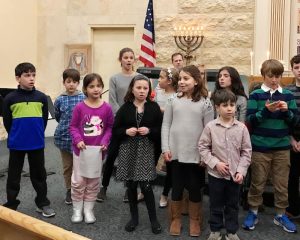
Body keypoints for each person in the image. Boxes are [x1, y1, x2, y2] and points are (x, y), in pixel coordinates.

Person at [242, 59, 297, 233]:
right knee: (257, 182)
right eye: (270, 76)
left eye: (278, 76)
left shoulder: (287, 95)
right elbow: (249, 121)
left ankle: (281, 214)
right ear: (263, 75)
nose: (274, 80)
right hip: (260, 147)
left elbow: (295, 122)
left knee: (282, 184)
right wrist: (265, 111)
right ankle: (253, 211)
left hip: (282, 147)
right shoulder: (256, 95)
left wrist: (286, 112)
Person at [162, 65, 214, 237]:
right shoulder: (172, 100)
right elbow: (166, 125)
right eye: (181, 79)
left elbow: (208, 130)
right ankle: (175, 219)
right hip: (175, 151)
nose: (182, 82)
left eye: (186, 79)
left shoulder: (205, 103)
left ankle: (194, 220)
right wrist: (165, 148)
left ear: (197, 81)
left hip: (196, 153)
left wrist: (205, 154)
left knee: (194, 187)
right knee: (176, 187)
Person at [2, 62, 55, 217]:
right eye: (27, 75)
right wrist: (16, 135)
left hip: (36, 143)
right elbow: (7, 122)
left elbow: (43, 120)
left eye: (33, 75)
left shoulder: (41, 98)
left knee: (39, 175)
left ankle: (42, 203)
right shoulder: (10, 99)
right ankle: (11, 204)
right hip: (17, 144)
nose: (31, 78)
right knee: (13, 176)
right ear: (18, 78)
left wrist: (36, 133)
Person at [198, 89, 252, 240]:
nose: (229, 108)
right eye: (225, 105)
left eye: (232, 105)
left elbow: (246, 151)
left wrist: (241, 171)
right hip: (216, 175)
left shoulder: (241, 128)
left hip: (235, 176)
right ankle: (215, 230)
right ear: (217, 107)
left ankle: (231, 231)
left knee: (232, 205)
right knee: (215, 204)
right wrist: (216, 164)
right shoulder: (210, 127)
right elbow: (203, 147)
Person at [114, 74, 163, 234]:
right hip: (128, 149)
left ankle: (153, 220)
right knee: (131, 185)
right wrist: (125, 131)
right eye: (138, 88)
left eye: (145, 88)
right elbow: (116, 129)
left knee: (146, 186)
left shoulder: (154, 107)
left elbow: (159, 130)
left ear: (149, 90)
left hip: (146, 150)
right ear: (132, 89)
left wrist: (149, 130)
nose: (142, 91)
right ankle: (134, 218)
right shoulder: (125, 107)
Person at [69, 73, 113, 224]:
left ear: (102, 88)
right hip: (80, 151)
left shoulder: (107, 108)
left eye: (98, 86)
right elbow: (73, 126)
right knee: (79, 181)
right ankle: (77, 209)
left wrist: (105, 141)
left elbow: (109, 128)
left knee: (93, 181)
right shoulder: (79, 107)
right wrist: (78, 140)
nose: (96, 89)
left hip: (98, 152)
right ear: (85, 89)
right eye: (91, 86)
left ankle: (88, 209)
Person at [97, 47, 139, 203]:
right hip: (119, 123)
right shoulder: (114, 78)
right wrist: (123, 117)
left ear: (134, 60)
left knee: (130, 157)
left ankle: (129, 189)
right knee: (111, 155)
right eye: (125, 57)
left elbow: (142, 98)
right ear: (120, 59)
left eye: (131, 57)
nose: (128, 60)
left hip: (135, 122)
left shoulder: (139, 77)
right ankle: (104, 187)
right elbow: (113, 101)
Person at [53, 68, 85, 205]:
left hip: (80, 139)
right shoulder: (60, 99)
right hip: (64, 138)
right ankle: (69, 190)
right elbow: (58, 116)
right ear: (64, 82)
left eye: (74, 82)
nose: (71, 84)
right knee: (68, 166)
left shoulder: (83, 98)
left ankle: (80, 189)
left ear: (78, 83)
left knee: (80, 167)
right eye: (68, 81)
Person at [154, 67, 179, 208]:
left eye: (161, 77)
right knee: (150, 162)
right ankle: (146, 190)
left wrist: (161, 110)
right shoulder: (158, 93)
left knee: (170, 167)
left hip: (169, 134)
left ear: (169, 81)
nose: (158, 79)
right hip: (155, 131)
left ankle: (164, 193)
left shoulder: (177, 96)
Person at [285, 54, 300, 219]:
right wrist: (292, 140)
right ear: (292, 70)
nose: (299, 70)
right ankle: (293, 208)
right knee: (292, 176)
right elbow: (284, 118)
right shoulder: (288, 91)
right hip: (291, 141)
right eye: (296, 67)